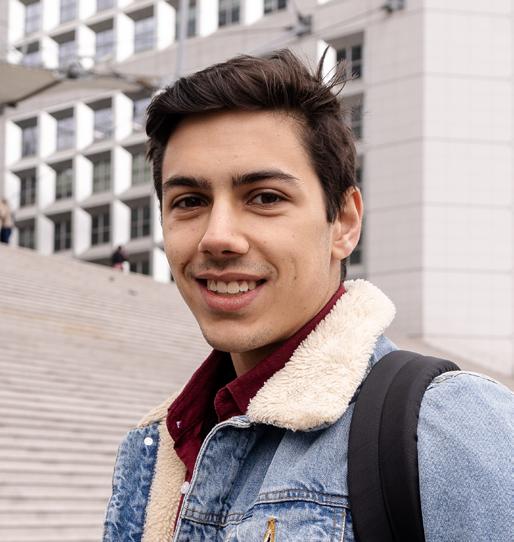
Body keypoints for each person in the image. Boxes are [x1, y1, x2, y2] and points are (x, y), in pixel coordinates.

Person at [103, 50, 512, 541]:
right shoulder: (152, 448)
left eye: (265, 197)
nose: (217, 237)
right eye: (189, 202)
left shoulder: (448, 426)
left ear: (344, 222)